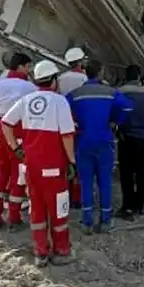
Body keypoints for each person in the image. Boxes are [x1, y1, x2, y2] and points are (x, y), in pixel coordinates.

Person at [1, 60, 77, 267]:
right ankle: (61, 250)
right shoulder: (59, 102)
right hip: (54, 168)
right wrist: (72, 161)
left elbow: (6, 122)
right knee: (58, 210)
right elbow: (67, 136)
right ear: (53, 81)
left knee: (37, 209)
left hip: (31, 167)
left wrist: (16, 149)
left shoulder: (26, 101)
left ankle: (40, 252)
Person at [66, 59, 133, 234]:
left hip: (83, 141)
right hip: (105, 141)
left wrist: (75, 123)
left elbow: (63, 109)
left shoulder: (75, 94)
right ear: (101, 72)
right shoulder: (110, 92)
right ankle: (105, 220)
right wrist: (115, 121)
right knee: (105, 182)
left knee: (86, 182)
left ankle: (86, 222)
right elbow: (128, 107)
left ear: (84, 72)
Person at [0, 52, 36, 231]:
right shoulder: (30, 88)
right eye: (28, 67)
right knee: (18, 178)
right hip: (19, 137)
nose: (29, 70)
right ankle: (14, 218)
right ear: (21, 66)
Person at [115, 65, 144, 220]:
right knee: (141, 172)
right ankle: (139, 205)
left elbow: (116, 114)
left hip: (125, 137)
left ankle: (127, 205)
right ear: (139, 77)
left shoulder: (119, 92)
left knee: (126, 172)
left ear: (126, 76)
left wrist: (118, 131)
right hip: (142, 138)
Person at [57, 46, 89, 208]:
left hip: (64, 122)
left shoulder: (61, 78)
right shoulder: (83, 79)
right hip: (81, 122)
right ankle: (77, 197)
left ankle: (66, 193)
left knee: (65, 160)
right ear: (80, 62)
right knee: (79, 161)